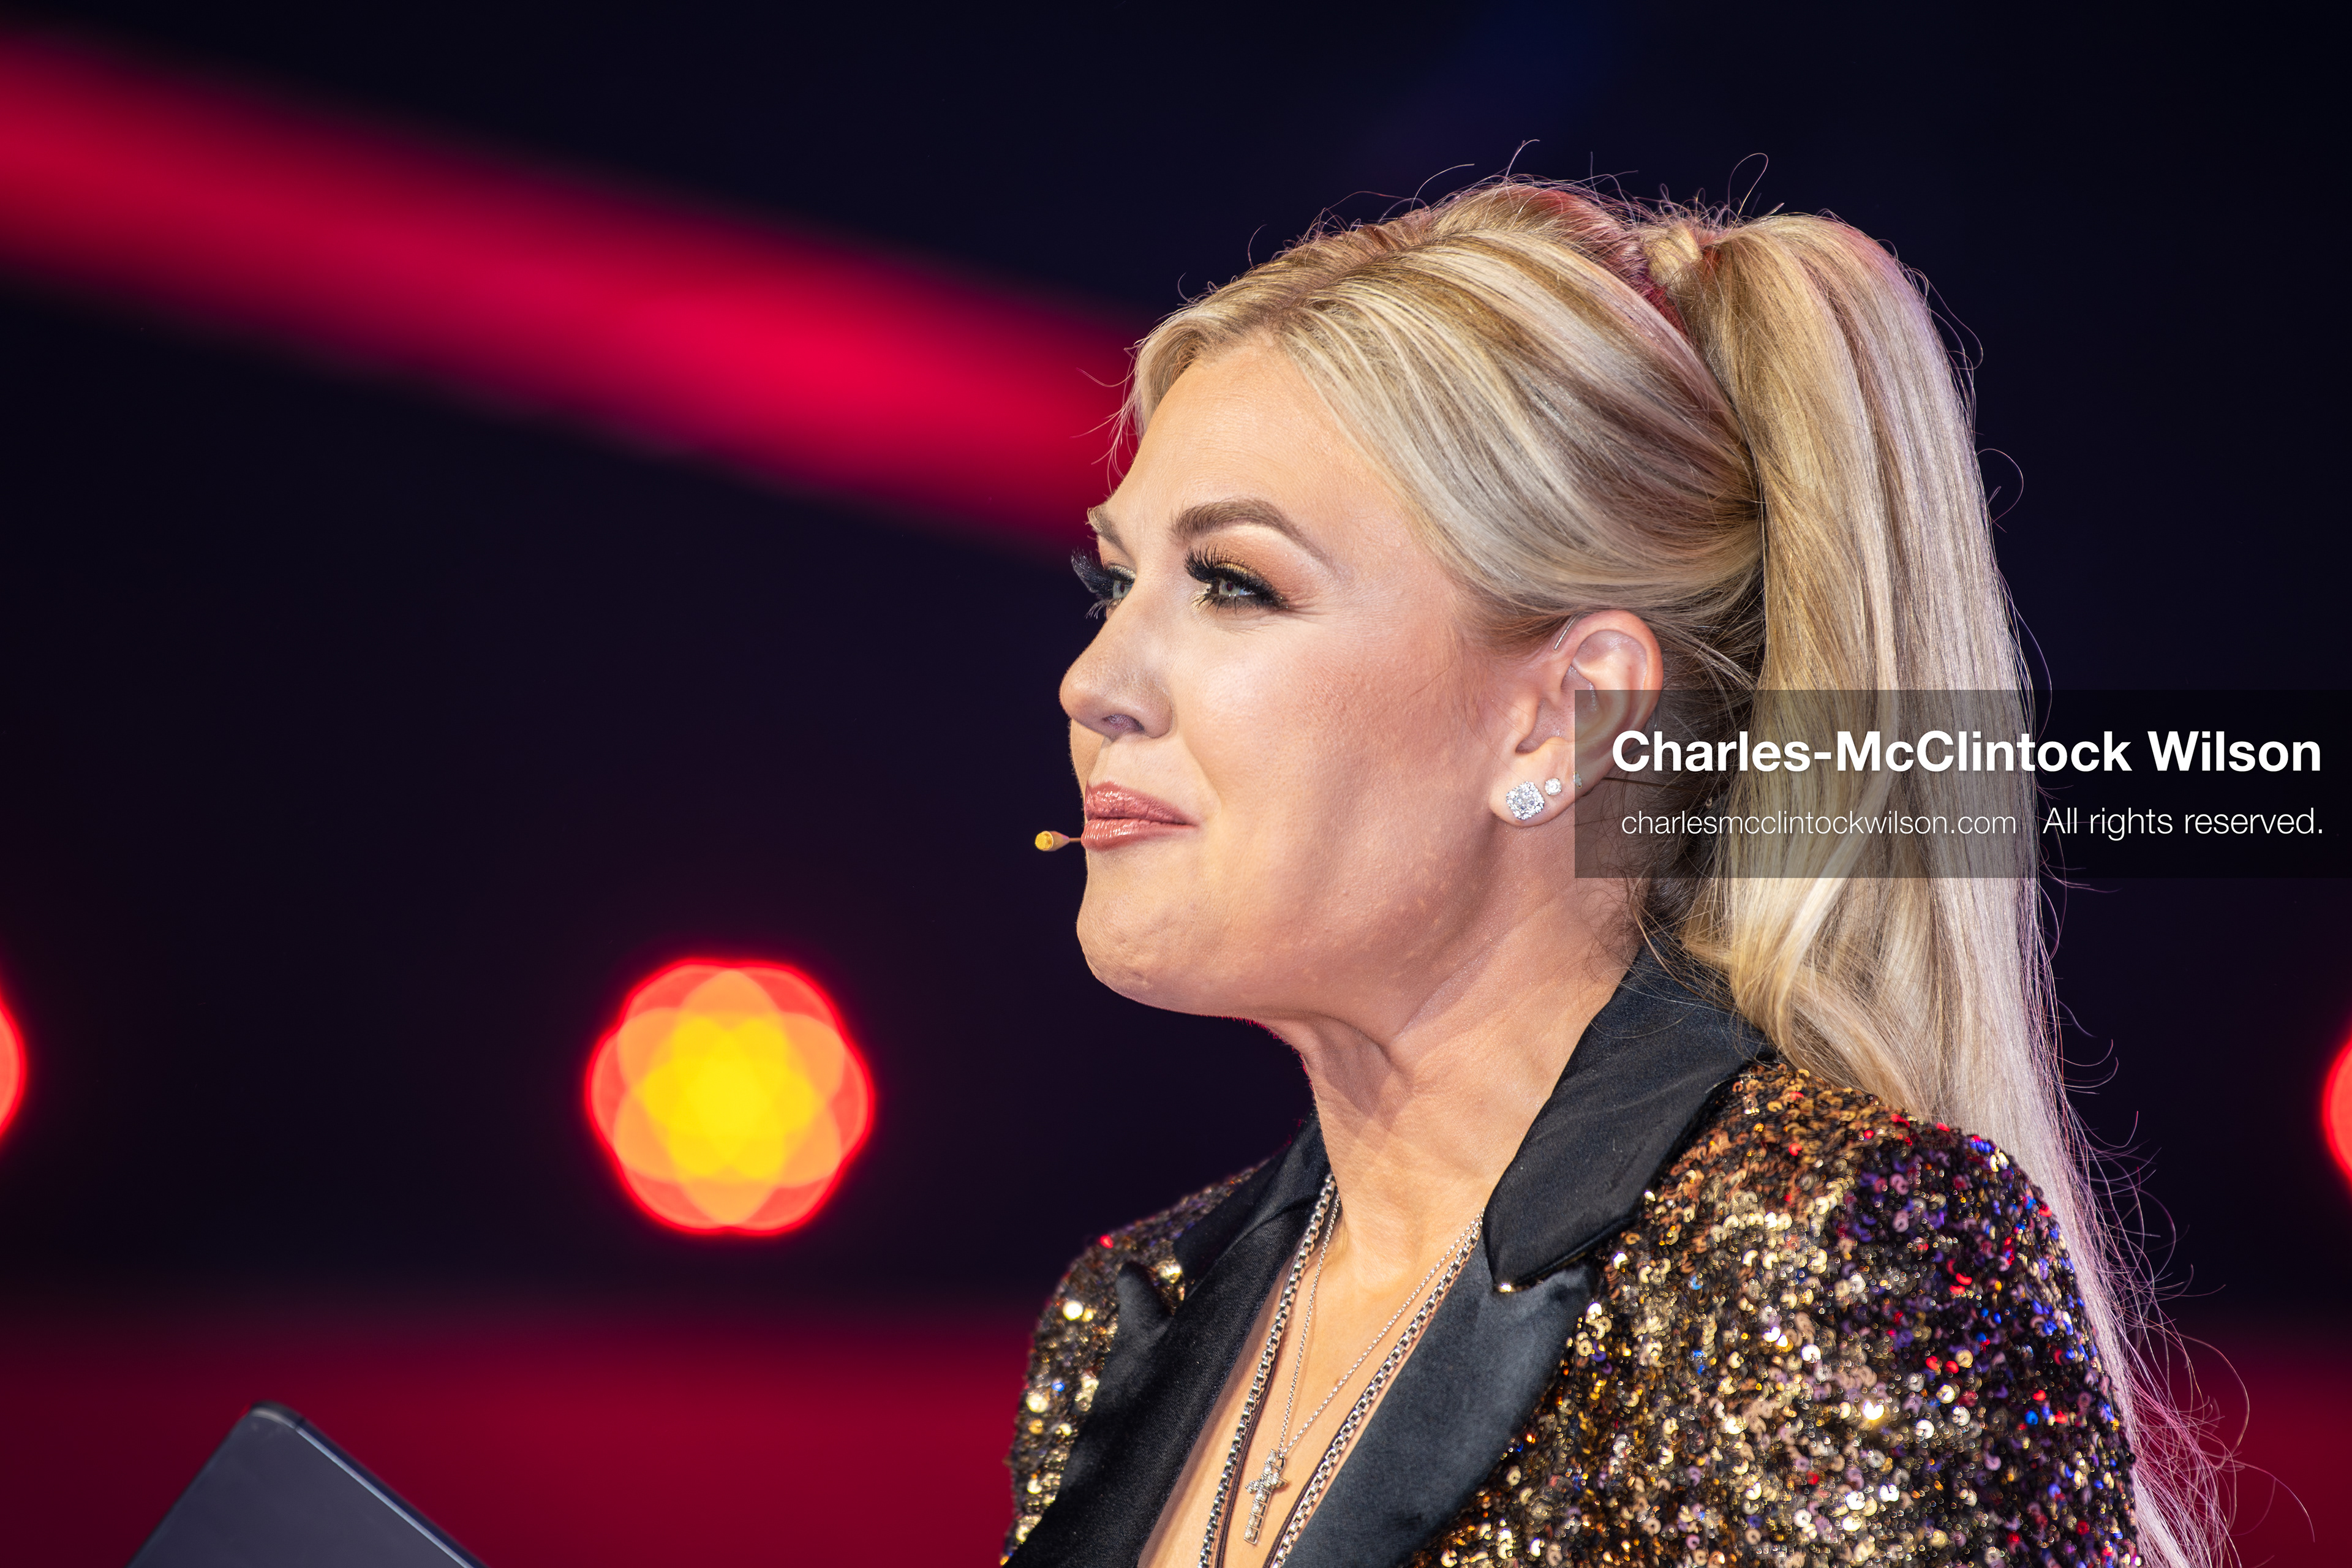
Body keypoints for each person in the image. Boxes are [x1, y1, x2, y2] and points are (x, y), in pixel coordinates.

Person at [1002, 183, 2203, 1568]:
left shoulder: (1819, 1262)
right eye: (1113, 585)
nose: (1093, 683)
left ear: (1565, 715)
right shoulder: (1129, 1316)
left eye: (1233, 582)